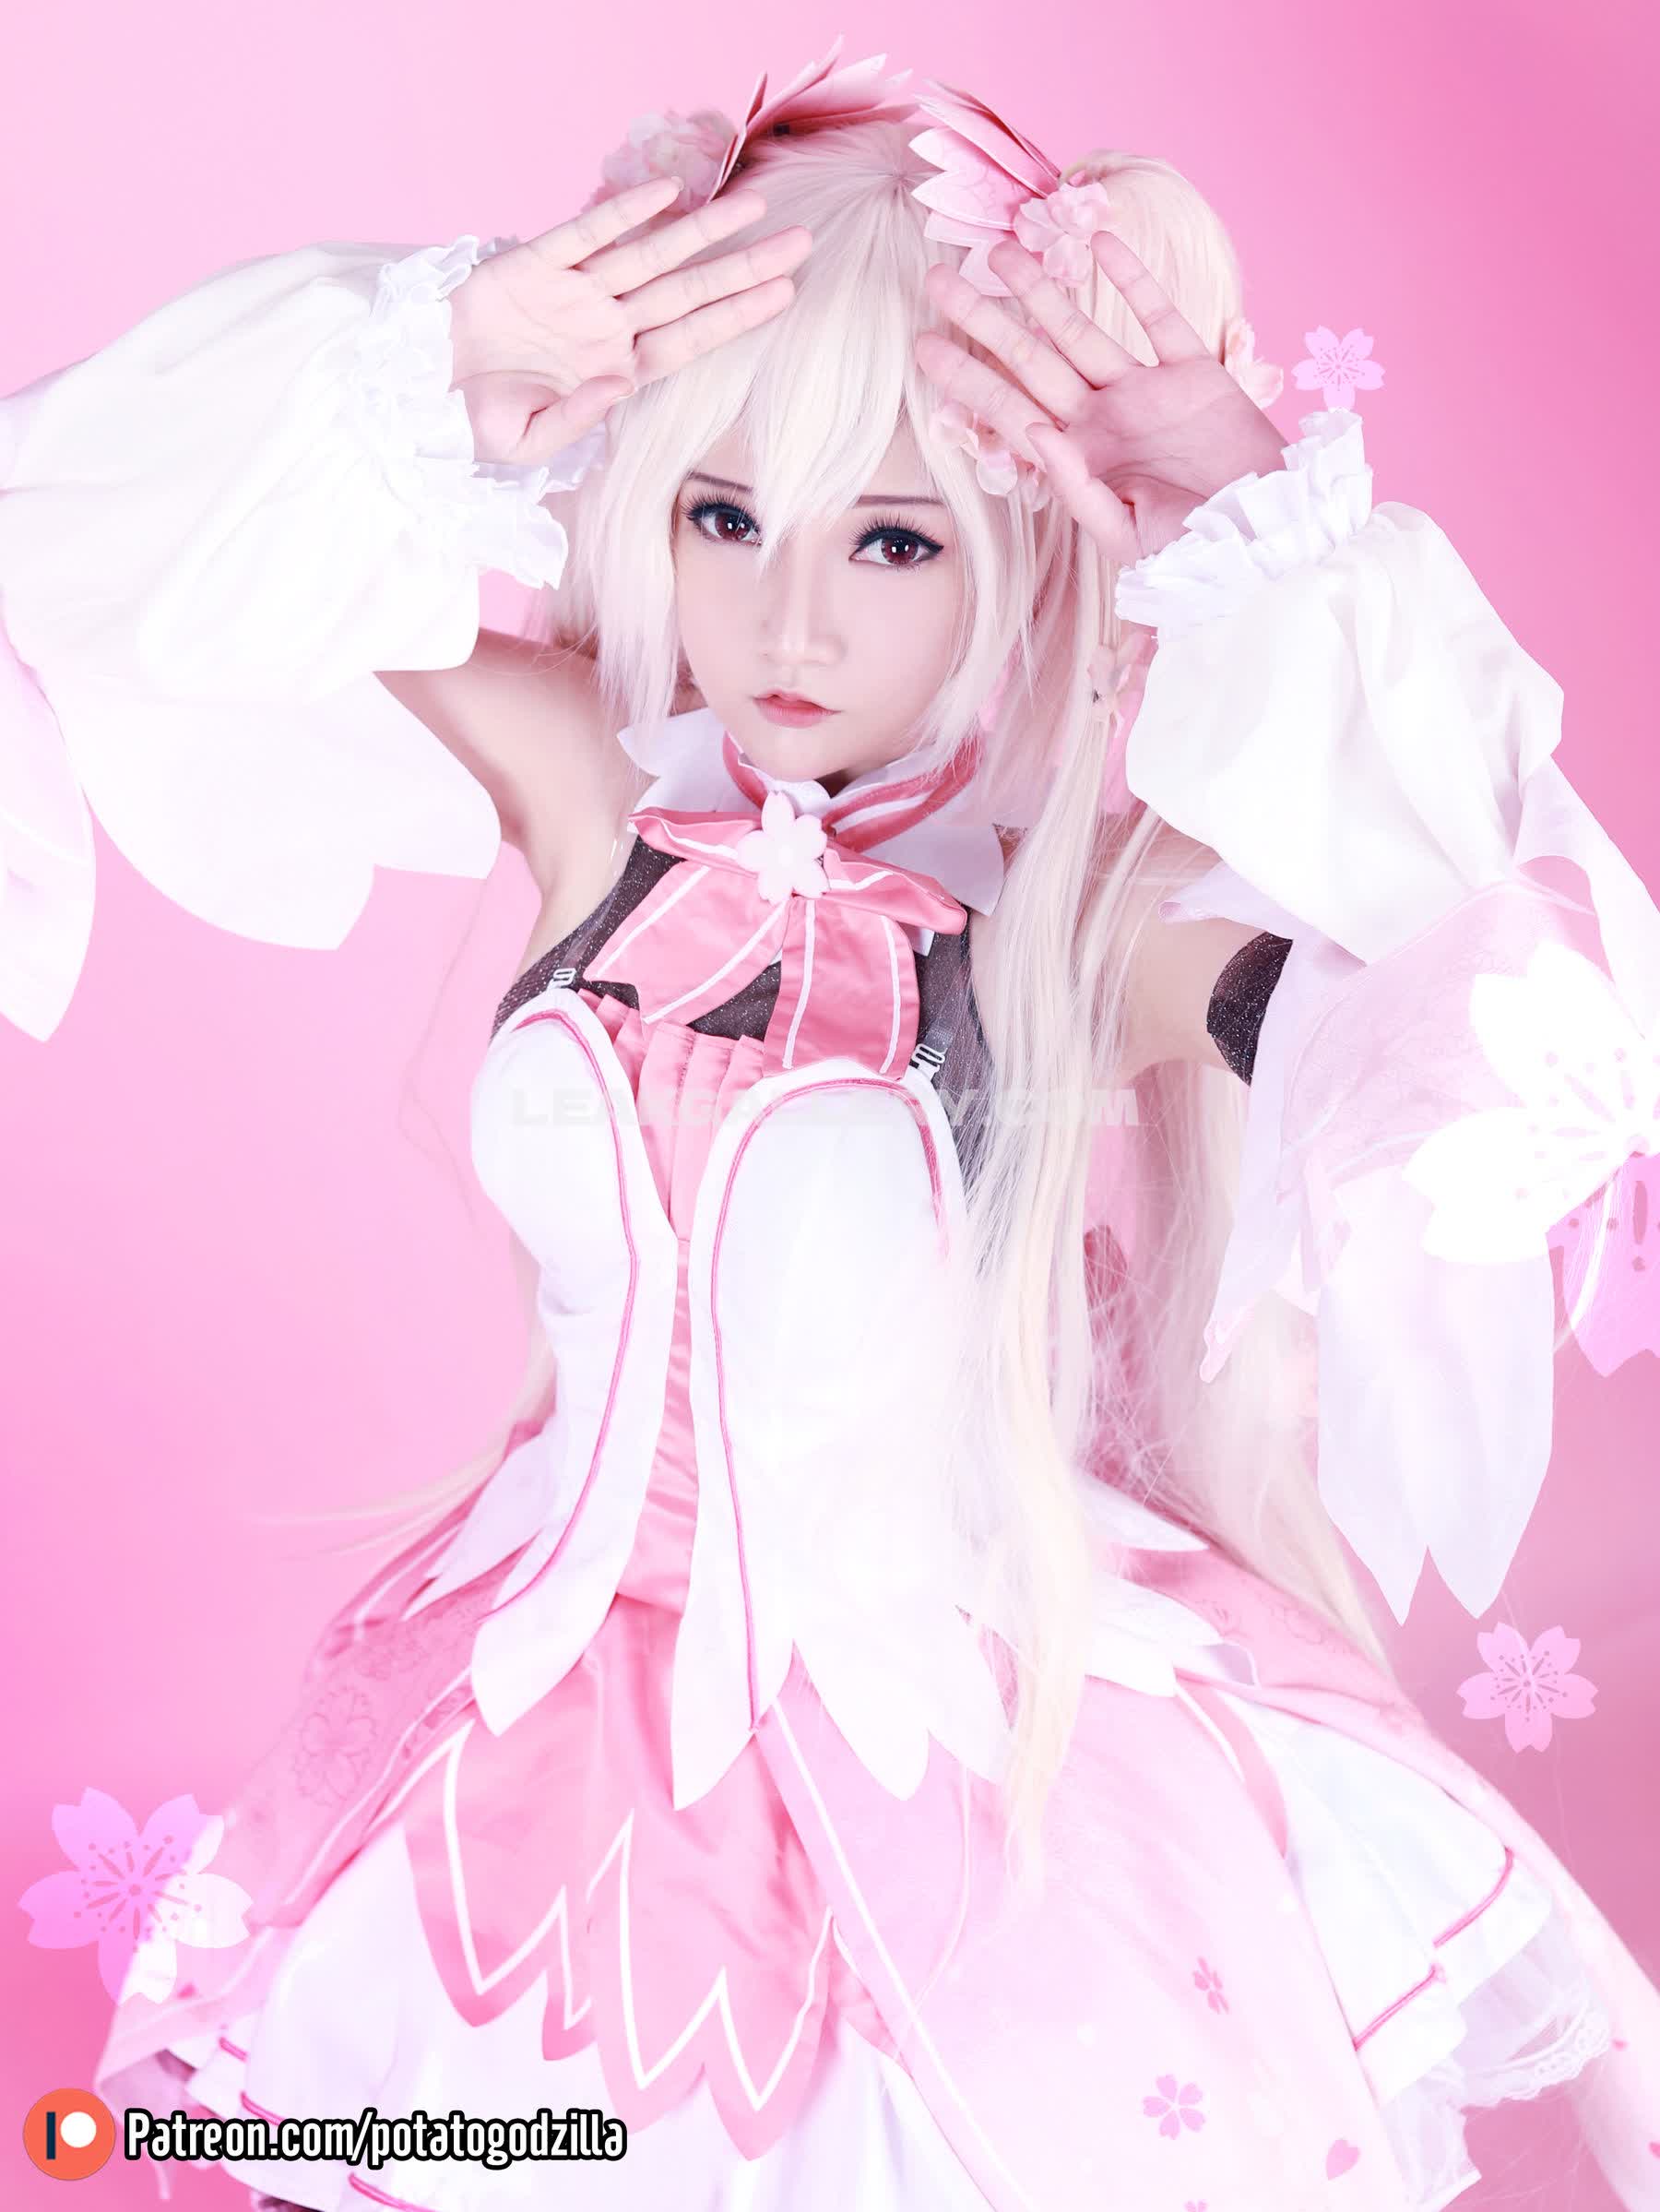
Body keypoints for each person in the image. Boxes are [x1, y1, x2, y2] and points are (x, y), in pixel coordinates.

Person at [4, 42, 1658, 2212]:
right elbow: (74, 574)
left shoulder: (1068, 926)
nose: (789, 622)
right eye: (726, 515)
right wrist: (439, 362)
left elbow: (1530, 1031)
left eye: (892, 535)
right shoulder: (596, 797)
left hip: (958, 1751)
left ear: (1018, 546)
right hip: (525, 1709)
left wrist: (1245, 505)